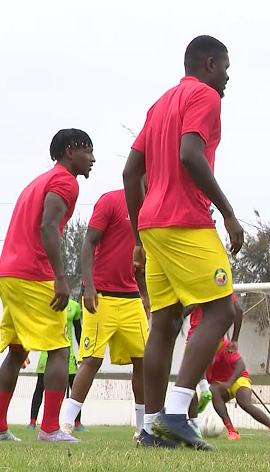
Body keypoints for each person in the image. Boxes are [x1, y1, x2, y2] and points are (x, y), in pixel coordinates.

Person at [122, 35, 244, 450]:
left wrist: (140, 234)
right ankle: (176, 412)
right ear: (210, 64)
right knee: (222, 309)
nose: (228, 78)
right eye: (226, 68)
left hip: (154, 225)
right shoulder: (206, 96)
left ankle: (151, 427)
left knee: (166, 322)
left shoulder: (160, 104)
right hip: (185, 220)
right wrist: (227, 212)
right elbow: (191, 154)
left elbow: (129, 172)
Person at [0, 128, 95, 443]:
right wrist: (60, 276)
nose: (92, 158)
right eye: (87, 151)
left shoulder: (39, 181)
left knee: (16, 350)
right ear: (70, 151)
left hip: (10, 271)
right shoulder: (64, 181)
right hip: (32, 272)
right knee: (59, 347)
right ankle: (51, 429)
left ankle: (0, 427)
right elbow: (48, 226)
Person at [60, 189, 149, 440]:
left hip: (131, 299)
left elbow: (142, 259)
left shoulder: (152, 207)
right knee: (91, 359)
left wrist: (144, 295)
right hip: (101, 296)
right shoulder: (110, 201)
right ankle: (66, 424)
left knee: (143, 361)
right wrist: (88, 286)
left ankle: (142, 429)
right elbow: (88, 242)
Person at [184, 293, 242, 437]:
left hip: (197, 335)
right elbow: (238, 310)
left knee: (186, 382)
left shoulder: (194, 284)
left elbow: (186, 310)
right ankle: (204, 386)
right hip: (216, 337)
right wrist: (234, 339)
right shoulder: (219, 282)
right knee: (195, 371)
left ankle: (193, 426)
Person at [206, 338, 270, 440]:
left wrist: (230, 382)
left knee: (244, 403)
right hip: (221, 384)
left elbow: (241, 365)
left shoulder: (224, 344)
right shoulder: (199, 353)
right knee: (213, 390)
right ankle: (232, 431)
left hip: (238, 378)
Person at [30, 300, 84, 432]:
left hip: (68, 353)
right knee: (40, 387)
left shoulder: (74, 306)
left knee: (75, 387)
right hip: (46, 352)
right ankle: (32, 421)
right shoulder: (45, 302)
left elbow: (78, 332)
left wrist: (83, 354)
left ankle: (76, 422)